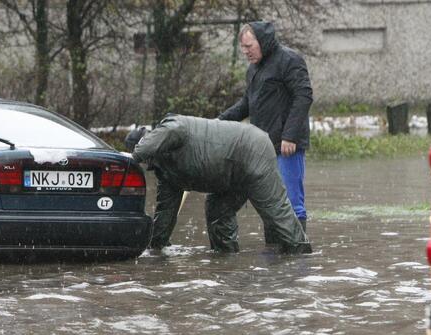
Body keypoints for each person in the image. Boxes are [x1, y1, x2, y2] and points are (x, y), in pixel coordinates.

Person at [132, 114, 311, 254]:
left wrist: (131, 158)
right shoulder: (165, 172)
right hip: (225, 176)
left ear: (152, 142)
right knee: (217, 211)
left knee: (275, 211)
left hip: (252, 148)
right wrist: (154, 248)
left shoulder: (172, 128)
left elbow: (154, 141)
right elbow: (165, 213)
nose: (146, 164)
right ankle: (226, 258)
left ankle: (302, 256)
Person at [219, 21, 313, 240]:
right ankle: (275, 258)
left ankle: (296, 256)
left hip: (288, 146)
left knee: (291, 203)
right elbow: (246, 104)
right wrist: (218, 122)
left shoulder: (290, 60)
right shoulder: (253, 69)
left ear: (263, 42)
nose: (245, 52)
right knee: (270, 203)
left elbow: (304, 96)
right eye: (242, 47)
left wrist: (289, 136)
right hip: (262, 147)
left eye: (249, 46)